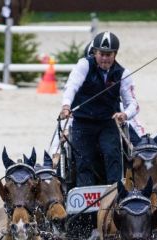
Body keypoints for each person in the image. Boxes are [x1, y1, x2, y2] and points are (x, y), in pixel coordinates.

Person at [59, 31, 139, 187]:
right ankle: (84, 197)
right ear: (95, 52)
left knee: (112, 155)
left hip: (108, 124)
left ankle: (115, 194)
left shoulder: (123, 73)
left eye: (109, 54)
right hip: (83, 123)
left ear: (115, 54)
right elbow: (71, 86)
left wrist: (125, 114)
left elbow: (133, 104)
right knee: (83, 161)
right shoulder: (84, 65)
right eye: (102, 54)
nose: (105, 58)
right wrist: (66, 105)